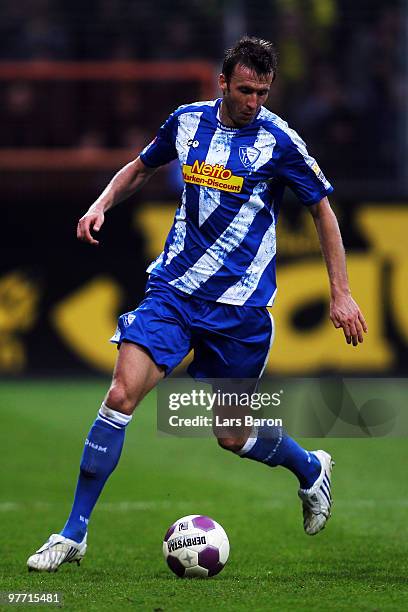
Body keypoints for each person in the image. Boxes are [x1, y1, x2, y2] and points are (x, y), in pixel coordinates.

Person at [27, 36, 367, 572]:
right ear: (223, 82)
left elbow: (322, 211)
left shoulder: (280, 141)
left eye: (263, 92)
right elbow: (140, 166)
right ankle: (73, 533)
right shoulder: (186, 122)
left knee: (231, 435)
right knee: (119, 395)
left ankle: (310, 468)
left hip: (240, 312)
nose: (255, 101)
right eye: (246, 90)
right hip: (174, 293)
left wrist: (341, 293)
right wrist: (101, 204)